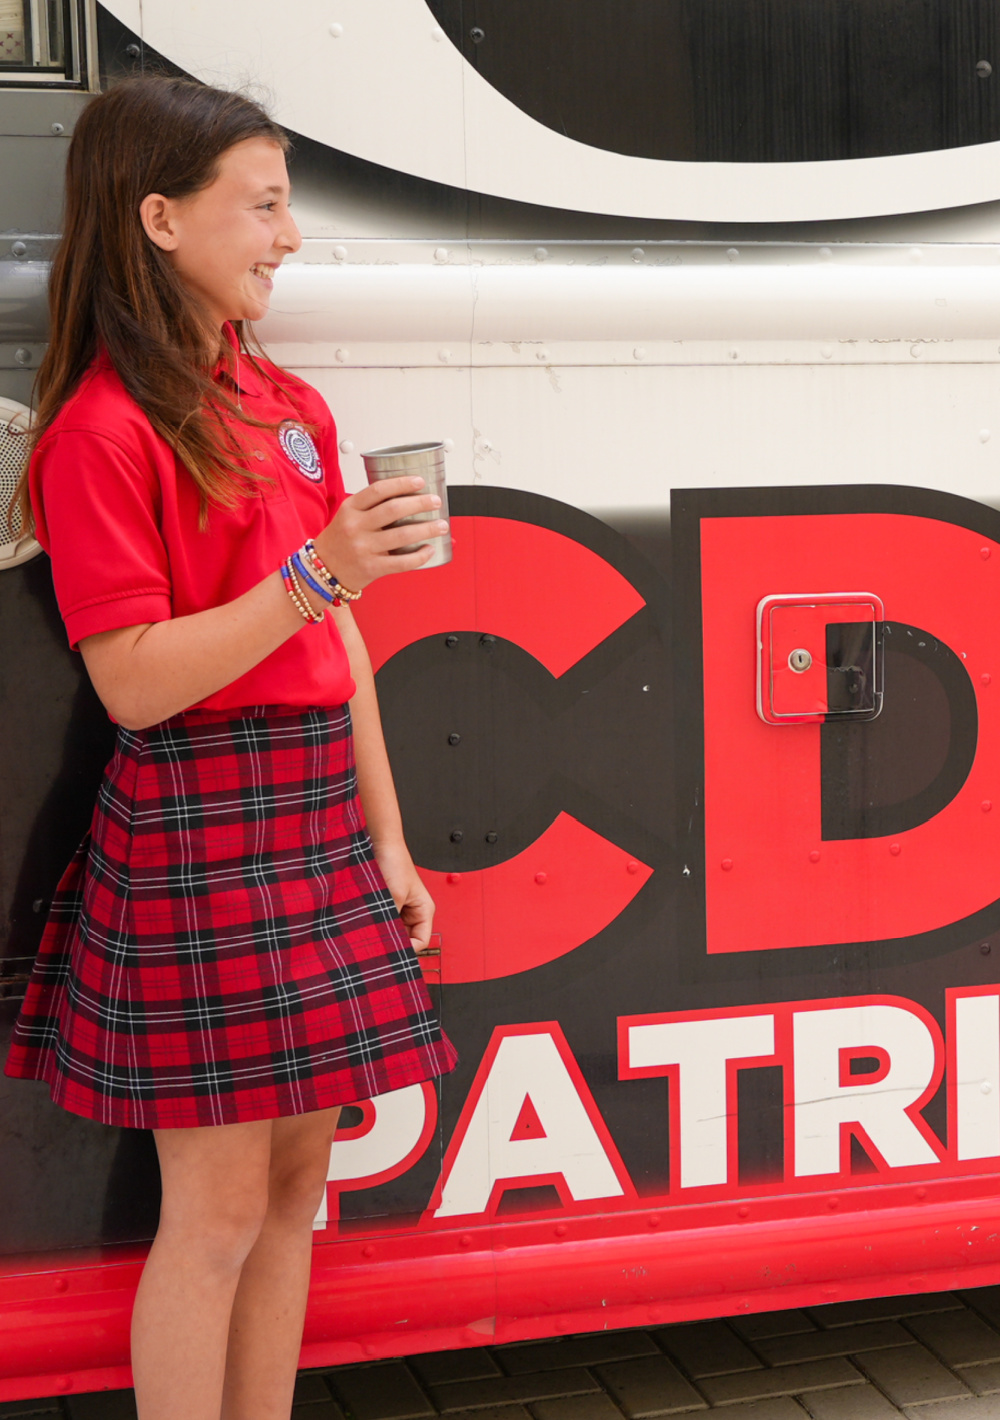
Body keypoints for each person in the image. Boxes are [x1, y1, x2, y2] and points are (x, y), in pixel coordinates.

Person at [1, 77, 456, 1420]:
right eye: (262, 204)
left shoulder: (290, 403)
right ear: (157, 216)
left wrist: (387, 838)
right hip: (198, 815)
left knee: (296, 1184)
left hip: (314, 812)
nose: (291, 236)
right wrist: (318, 574)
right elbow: (134, 685)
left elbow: (344, 648)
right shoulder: (100, 430)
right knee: (208, 1212)